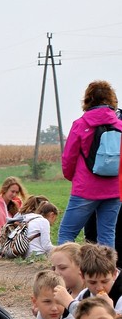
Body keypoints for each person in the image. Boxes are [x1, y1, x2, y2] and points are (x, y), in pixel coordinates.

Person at [58, 80, 122, 248]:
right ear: (112, 100)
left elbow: (68, 158)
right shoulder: (120, 125)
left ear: (88, 100)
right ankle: (105, 274)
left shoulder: (80, 124)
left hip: (85, 189)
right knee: (107, 236)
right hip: (114, 189)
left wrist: (73, 177)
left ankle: (62, 272)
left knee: (67, 234)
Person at [0, 177, 26, 254]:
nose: (14, 194)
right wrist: (5, 234)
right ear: (5, 189)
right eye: (12, 191)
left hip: (13, 243)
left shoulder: (15, 206)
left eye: (17, 192)